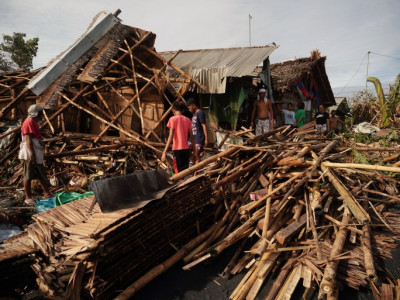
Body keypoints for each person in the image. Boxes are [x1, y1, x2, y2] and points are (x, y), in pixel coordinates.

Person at [18, 104, 51, 205]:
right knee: (28, 175)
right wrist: (32, 154)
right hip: (28, 154)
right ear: (35, 113)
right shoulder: (29, 122)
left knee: (41, 174)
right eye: (40, 113)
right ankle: (28, 198)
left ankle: (47, 193)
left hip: (35, 153)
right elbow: (28, 139)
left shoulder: (33, 122)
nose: (42, 115)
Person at [161, 100, 196, 174]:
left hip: (177, 150)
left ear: (173, 111)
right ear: (182, 111)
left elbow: (170, 136)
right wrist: (194, 152)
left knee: (178, 173)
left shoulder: (172, 119)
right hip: (186, 149)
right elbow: (192, 137)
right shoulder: (188, 120)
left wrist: (164, 152)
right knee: (185, 172)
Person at [186, 98, 208, 163]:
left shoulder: (200, 113)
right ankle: (195, 162)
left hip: (199, 138)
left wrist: (206, 138)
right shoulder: (194, 115)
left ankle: (196, 172)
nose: (189, 110)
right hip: (193, 138)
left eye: (189, 108)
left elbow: (204, 126)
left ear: (194, 105)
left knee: (197, 154)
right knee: (186, 149)